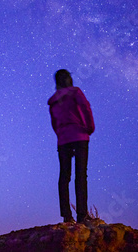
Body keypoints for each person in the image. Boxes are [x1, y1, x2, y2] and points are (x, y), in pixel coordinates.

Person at [47, 69, 95, 224]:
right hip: (79, 135)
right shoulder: (76, 92)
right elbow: (86, 108)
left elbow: (54, 123)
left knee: (64, 176)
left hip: (63, 139)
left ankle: (66, 216)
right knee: (81, 175)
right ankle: (82, 215)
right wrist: (90, 127)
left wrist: (61, 135)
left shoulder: (53, 101)